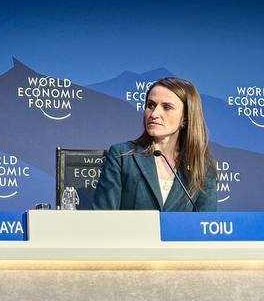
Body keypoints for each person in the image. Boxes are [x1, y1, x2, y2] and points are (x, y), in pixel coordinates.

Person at [93, 76, 217, 211]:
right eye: (151, 105)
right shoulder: (122, 156)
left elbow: (205, 222)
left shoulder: (202, 168)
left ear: (185, 118)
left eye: (167, 107)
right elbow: (103, 216)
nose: (154, 114)